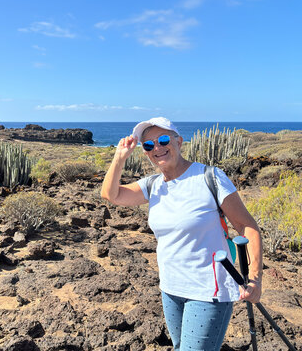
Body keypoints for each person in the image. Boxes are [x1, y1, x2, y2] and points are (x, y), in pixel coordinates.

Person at [101, 117, 263, 350]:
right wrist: (119, 157)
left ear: (179, 141)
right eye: (148, 145)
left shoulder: (210, 177)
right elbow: (111, 195)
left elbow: (247, 227)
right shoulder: (152, 185)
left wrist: (255, 279)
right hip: (171, 289)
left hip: (209, 291)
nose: (157, 148)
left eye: (163, 139)